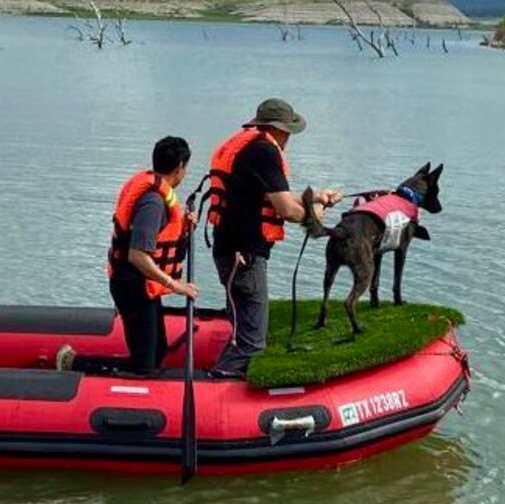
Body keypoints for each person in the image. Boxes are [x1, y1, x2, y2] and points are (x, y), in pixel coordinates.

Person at [206, 98, 343, 378]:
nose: (290, 138)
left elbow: (272, 195)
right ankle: (219, 384)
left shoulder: (248, 147)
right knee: (252, 344)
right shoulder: (265, 152)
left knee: (244, 329)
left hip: (229, 251)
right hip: (245, 256)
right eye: (289, 131)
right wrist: (314, 215)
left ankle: (222, 378)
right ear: (280, 129)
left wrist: (316, 197)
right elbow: (287, 210)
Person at [105, 136, 199, 376]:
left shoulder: (156, 194)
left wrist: (185, 228)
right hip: (133, 285)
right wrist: (175, 285)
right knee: (143, 365)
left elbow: (160, 237)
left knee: (158, 350)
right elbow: (137, 255)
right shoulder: (153, 202)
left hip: (144, 285)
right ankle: (74, 362)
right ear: (179, 167)